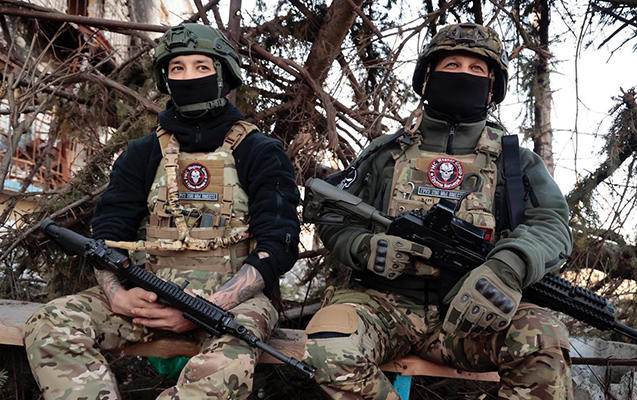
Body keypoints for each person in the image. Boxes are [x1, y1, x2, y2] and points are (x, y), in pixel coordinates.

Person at [23, 23, 300, 400]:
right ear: (165, 78)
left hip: (233, 303)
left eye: (202, 66)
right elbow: (108, 234)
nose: (189, 77)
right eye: (177, 68)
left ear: (223, 74)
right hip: (147, 298)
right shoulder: (143, 152)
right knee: (51, 323)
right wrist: (118, 295)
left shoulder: (260, 151)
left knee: (227, 364)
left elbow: (278, 243)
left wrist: (202, 308)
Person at [303, 22, 573, 400]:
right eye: (452, 65)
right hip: (382, 306)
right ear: (428, 77)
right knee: (330, 343)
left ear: (492, 86)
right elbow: (332, 213)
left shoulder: (515, 162)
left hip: (473, 316)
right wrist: (364, 247)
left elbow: (552, 226)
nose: (463, 75)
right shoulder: (385, 152)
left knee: (544, 341)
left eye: (476, 69)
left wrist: (508, 268)